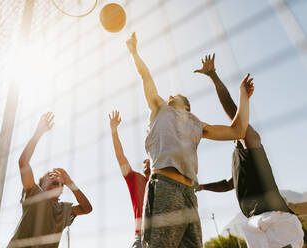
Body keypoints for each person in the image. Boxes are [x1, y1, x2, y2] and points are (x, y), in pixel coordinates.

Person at [126, 32, 254, 248]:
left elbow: (238, 131)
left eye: (173, 95)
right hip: (165, 186)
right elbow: (145, 77)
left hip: (188, 195)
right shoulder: (160, 110)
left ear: (186, 105)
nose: (168, 97)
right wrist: (134, 52)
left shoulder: (197, 124)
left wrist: (243, 97)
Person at [195, 54, 305, 248]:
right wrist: (202, 187)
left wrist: (214, 76)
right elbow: (229, 184)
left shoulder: (252, 142)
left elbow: (231, 110)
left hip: (275, 217)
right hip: (256, 223)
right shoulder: (239, 157)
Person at [8, 112, 92, 248]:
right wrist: (38, 133)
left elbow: (87, 208)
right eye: (50, 175)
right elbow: (23, 163)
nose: (55, 177)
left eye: (59, 178)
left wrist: (70, 183)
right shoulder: (35, 194)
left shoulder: (64, 210)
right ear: (41, 185)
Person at [108, 110, 151, 248]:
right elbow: (120, 156)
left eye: (149, 160)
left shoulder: (164, 181)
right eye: (144, 162)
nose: (146, 162)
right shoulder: (135, 179)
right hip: (142, 237)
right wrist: (114, 131)